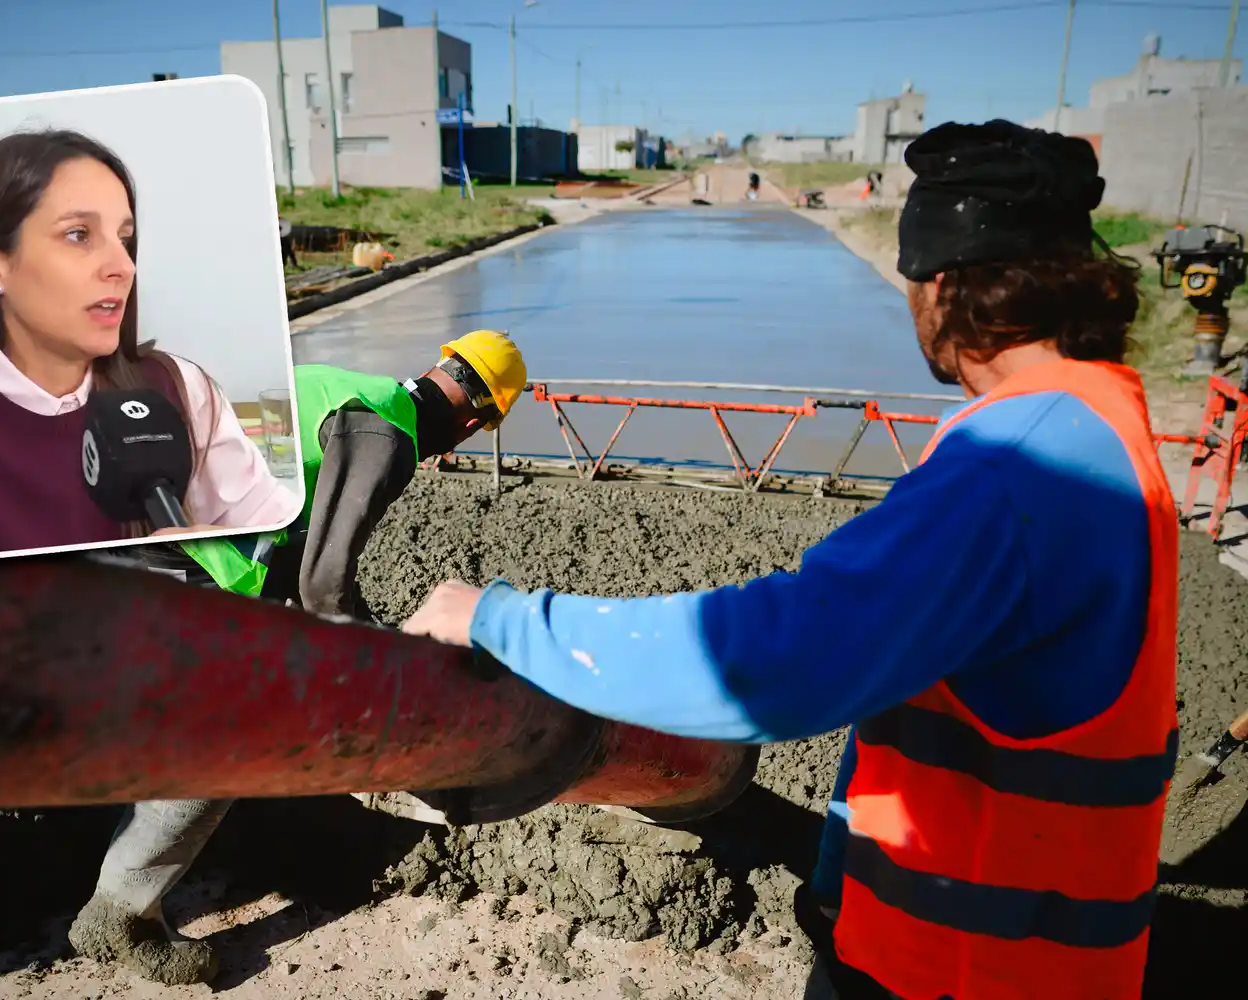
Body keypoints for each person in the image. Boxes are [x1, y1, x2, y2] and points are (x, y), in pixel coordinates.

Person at [401, 120, 1179, 1000]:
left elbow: (780, 659)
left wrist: (501, 620)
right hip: (1017, 953)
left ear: (945, 282)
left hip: (967, 970)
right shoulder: (1095, 427)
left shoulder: (1013, 468)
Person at [67, 330, 528, 986]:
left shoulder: (337, 387)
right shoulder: (384, 433)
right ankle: (118, 915)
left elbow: (291, 542)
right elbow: (325, 587)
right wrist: (391, 672)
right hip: (164, 550)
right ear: (477, 422)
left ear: (439, 364)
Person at [0, 128, 288, 558]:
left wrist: (221, 559)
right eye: (78, 235)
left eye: (124, 239)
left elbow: (276, 538)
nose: (123, 266)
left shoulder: (179, 389)